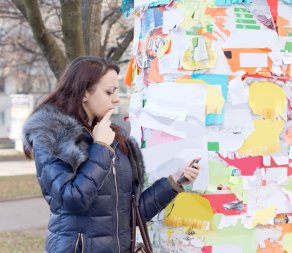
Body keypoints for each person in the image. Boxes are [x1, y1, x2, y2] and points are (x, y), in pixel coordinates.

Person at [22, 56, 201, 253]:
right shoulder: (54, 136)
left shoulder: (114, 137)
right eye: (109, 92)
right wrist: (100, 147)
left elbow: (131, 214)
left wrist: (173, 182)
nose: (116, 98)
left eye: (117, 91)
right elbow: (72, 200)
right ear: (84, 94)